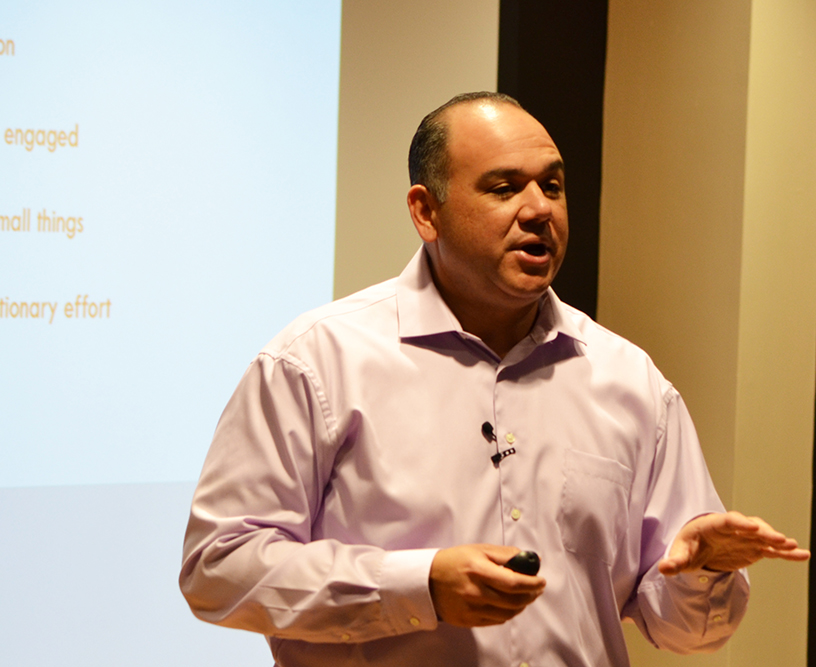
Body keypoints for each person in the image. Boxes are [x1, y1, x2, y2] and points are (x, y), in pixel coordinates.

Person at [179, 92, 809, 666]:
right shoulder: (316, 362)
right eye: (504, 187)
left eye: (554, 187)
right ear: (427, 212)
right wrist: (418, 586)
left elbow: (687, 633)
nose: (539, 210)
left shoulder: (629, 380)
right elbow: (218, 568)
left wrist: (699, 574)